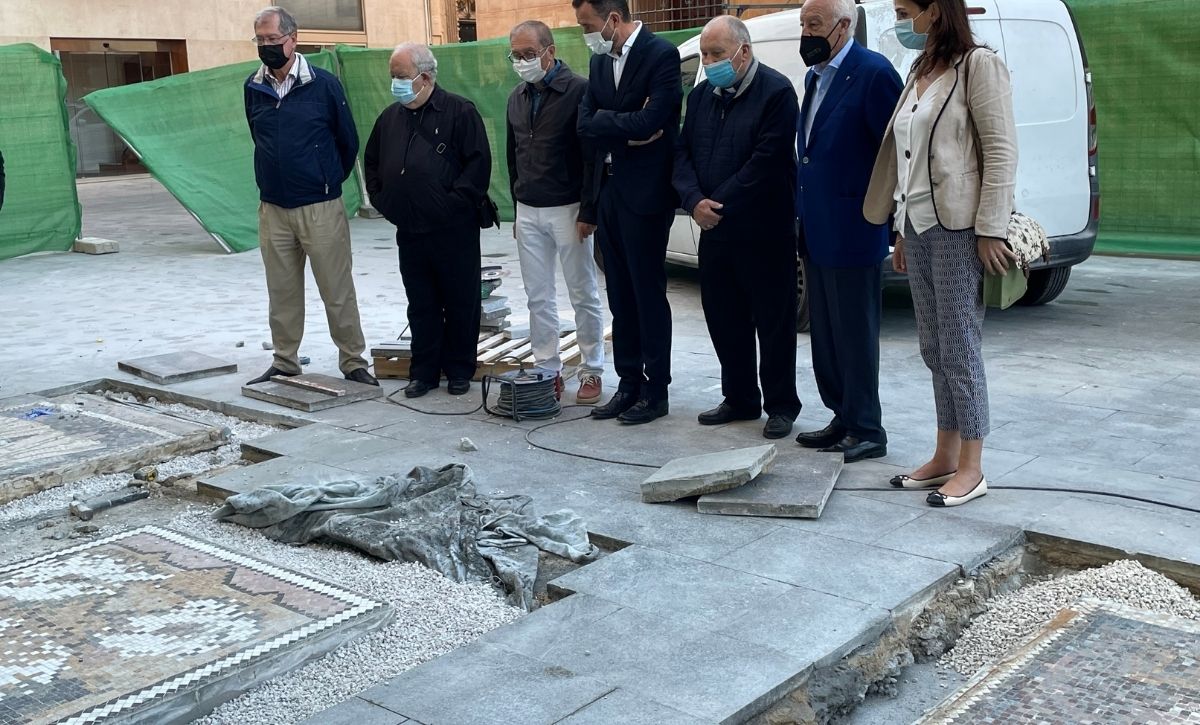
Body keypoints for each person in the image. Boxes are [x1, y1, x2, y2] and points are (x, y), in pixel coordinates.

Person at [864, 0, 1018, 507]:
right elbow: (907, 158)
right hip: (918, 226)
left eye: (904, 10)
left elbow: (1000, 150)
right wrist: (900, 230)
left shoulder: (978, 64)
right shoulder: (919, 69)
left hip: (959, 228)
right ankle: (944, 455)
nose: (899, 21)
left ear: (934, 10)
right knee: (933, 347)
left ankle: (972, 467)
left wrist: (991, 228)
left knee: (960, 345)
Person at [673, 16, 802, 440]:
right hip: (715, 230)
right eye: (704, 55)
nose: (709, 63)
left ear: (743, 52)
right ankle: (740, 397)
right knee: (724, 317)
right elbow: (682, 153)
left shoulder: (776, 92)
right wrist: (693, 200)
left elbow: (766, 161)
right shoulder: (701, 96)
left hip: (764, 231)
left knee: (774, 321)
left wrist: (717, 205)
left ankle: (780, 405)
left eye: (717, 54)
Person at [243, 6, 375, 387]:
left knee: (337, 289)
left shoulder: (324, 85)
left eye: (273, 39)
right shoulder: (253, 87)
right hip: (273, 208)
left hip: (320, 206)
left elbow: (347, 141)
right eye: (260, 40)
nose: (266, 46)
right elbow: (258, 137)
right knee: (281, 291)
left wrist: (326, 180)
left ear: (293, 38)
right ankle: (285, 361)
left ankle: (353, 361)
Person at [794, 0, 902, 461]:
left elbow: (895, 153)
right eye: (802, 23)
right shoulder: (814, 77)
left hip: (855, 227)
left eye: (814, 24)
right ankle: (841, 415)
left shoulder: (873, 74)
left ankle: (867, 428)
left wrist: (894, 224)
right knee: (827, 336)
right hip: (817, 229)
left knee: (855, 334)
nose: (806, 32)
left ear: (843, 26)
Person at [574, 0, 681, 425]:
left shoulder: (661, 55)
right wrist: (625, 126)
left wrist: (610, 122)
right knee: (619, 294)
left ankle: (656, 391)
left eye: (588, 25)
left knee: (646, 293)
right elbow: (585, 124)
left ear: (613, 19)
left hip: (646, 194)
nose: (585, 33)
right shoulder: (600, 62)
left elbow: (654, 121)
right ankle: (628, 383)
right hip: (610, 191)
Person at [364, 43, 492, 399]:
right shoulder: (390, 117)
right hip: (409, 228)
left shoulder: (460, 112)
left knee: (461, 301)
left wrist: (450, 205)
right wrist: (384, 200)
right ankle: (423, 373)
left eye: (401, 76)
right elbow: (372, 162)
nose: (396, 83)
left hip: (454, 228)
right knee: (421, 303)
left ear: (425, 77)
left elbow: (478, 166)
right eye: (392, 76)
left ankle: (459, 370)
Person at [505, 20, 606, 405]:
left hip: (569, 208)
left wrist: (589, 210)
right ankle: (547, 368)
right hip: (528, 209)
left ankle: (592, 369)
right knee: (538, 296)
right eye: (516, 55)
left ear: (550, 51)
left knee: (583, 292)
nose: (522, 61)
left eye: (529, 54)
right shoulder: (516, 97)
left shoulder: (579, 90)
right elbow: (513, 154)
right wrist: (517, 208)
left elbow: (592, 156)